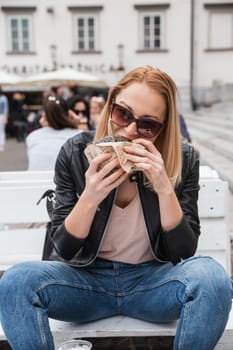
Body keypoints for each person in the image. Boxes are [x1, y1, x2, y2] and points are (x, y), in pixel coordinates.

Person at [0, 66, 232, 350]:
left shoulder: (183, 161)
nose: (130, 130)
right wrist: (91, 196)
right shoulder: (75, 152)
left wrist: (162, 186)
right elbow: (64, 250)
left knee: (214, 279)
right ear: (110, 107)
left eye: (147, 125)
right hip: (85, 283)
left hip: (152, 283)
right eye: (123, 114)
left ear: (163, 128)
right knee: (15, 282)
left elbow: (182, 252)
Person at [25, 96, 82, 170]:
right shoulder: (80, 136)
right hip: (66, 181)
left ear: (44, 116)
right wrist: (78, 123)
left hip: (36, 180)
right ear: (69, 114)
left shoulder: (32, 137)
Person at [0, 86, 9, 151]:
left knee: (1, 131)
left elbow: (6, 108)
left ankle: (1, 145)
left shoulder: (3, 98)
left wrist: (6, 117)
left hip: (1, 115)